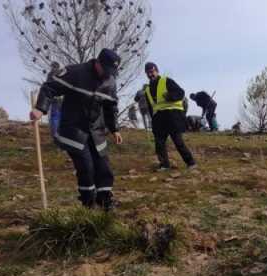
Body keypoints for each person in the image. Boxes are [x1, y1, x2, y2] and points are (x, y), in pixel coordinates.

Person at [30, 48, 123, 210]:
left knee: (104, 167)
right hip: (73, 129)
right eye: (106, 70)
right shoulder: (76, 72)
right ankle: (88, 203)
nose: (108, 74)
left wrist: (115, 129)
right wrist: (40, 108)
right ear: (98, 63)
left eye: (112, 71)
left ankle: (105, 200)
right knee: (86, 167)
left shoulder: (110, 82)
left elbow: (110, 107)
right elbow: (49, 87)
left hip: (96, 131)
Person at [143, 62, 197, 171]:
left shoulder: (166, 81)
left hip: (172, 116)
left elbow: (180, 92)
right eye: (148, 73)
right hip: (158, 118)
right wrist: (152, 120)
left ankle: (191, 163)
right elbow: (151, 107)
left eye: (152, 71)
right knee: (159, 143)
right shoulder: (147, 90)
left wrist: (170, 96)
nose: (150, 74)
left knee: (178, 141)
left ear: (157, 71)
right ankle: (164, 165)